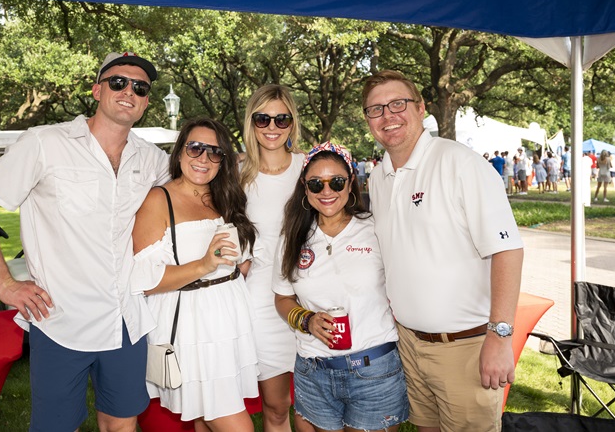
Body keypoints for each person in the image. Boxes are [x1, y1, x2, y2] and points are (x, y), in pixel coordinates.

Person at [0, 51, 169, 431]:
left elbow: (199, 188)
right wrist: (4, 283)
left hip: (127, 319)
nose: (129, 91)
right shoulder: (44, 142)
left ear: (147, 101)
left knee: (121, 424)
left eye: (140, 87)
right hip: (60, 319)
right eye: (118, 82)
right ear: (97, 90)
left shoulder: (152, 159)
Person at [362, 70, 524, 432]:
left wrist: (500, 338)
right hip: (408, 344)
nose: (388, 116)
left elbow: (508, 250)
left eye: (397, 104)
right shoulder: (377, 177)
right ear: (368, 120)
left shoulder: (460, 163)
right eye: (375, 109)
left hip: (465, 348)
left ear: (420, 108)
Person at [131, 118, 259, 431]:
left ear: (223, 160)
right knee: (230, 419)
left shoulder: (226, 196)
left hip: (227, 316)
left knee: (205, 418)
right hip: (192, 324)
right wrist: (203, 265)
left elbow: (238, 258)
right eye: (195, 148)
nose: (203, 158)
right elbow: (142, 281)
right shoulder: (157, 200)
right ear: (179, 153)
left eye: (214, 152)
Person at [272, 141, 409, 432]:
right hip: (314, 372)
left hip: (375, 371)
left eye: (336, 182)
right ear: (304, 189)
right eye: (316, 184)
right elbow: (283, 297)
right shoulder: (293, 237)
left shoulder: (376, 228)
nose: (327, 192)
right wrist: (306, 320)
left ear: (350, 184)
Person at [238, 84, 311, 432]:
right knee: (277, 405)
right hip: (262, 299)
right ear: (250, 122)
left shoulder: (309, 168)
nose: (272, 126)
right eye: (262, 118)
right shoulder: (237, 174)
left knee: (314, 405)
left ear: (292, 123)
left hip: (316, 291)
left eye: (281, 118)